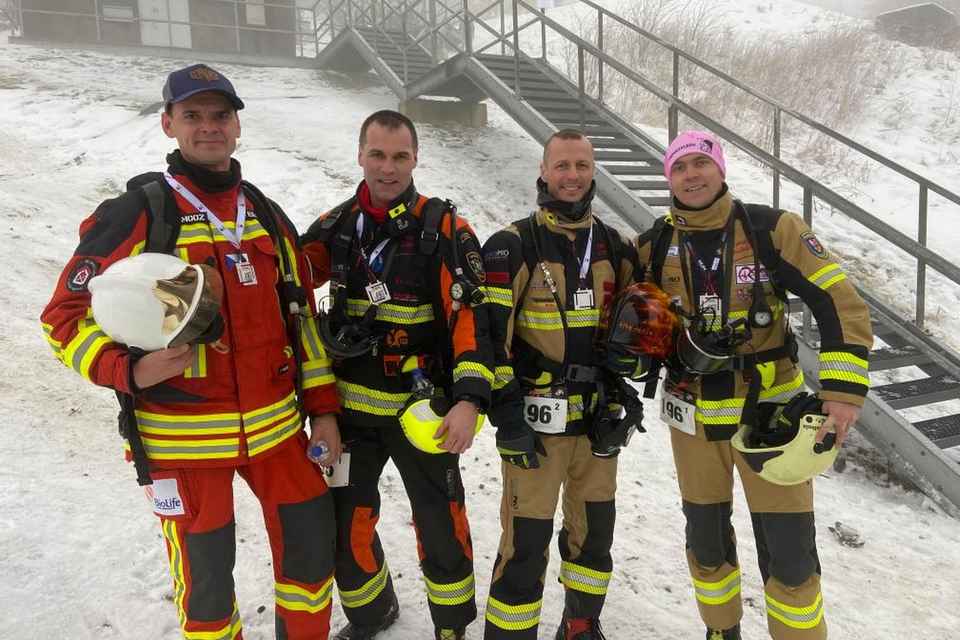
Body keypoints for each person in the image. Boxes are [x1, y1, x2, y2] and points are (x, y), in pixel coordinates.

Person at [40, 63, 341, 640]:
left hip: (278, 435)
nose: (209, 126)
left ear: (236, 126)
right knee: (206, 592)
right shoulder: (141, 212)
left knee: (309, 561)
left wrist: (323, 410)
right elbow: (63, 319)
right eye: (193, 115)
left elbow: (300, 319)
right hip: (183, 444)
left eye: (220, 115)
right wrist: (129, 369)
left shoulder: (264, 212)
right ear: (168, 124)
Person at [634, 130, 873, 640]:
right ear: (669, 178)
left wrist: (843, 391)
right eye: (679, 167)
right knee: (706, 545)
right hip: (693, 419)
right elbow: (632, 321)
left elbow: (837, 299)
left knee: (790, 554)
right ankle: (721, 631)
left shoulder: (770, 229)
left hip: (770, 419)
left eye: (701, 163)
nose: (692, 175)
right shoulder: (653, 245)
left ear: (720, 170)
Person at [300, 110, 493, 640]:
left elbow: (471, 321)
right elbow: (288, 282)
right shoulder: (335, 226)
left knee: (441, 524)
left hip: (423, 413)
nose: (388, 168)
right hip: (350, 416)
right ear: (360, 155)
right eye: (378, 155)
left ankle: (451, 627)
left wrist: (469, 400)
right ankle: (372, 613)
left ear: (415, 159)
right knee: (346, 524)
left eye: (400, 156)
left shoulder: (446, 229)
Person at [480, 129, 640, 640]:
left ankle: (580, 625)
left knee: (594, 538)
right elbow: (491, 342)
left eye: (582, 166)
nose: (572, 176)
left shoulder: (616, 247)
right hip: (535, 428)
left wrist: (628, 389)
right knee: (525, 545)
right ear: (544, 170)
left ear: (593, 172)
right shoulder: (512, 244)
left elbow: (639, 330)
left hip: (597, 426)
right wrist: (508, 421)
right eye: (562, 166)